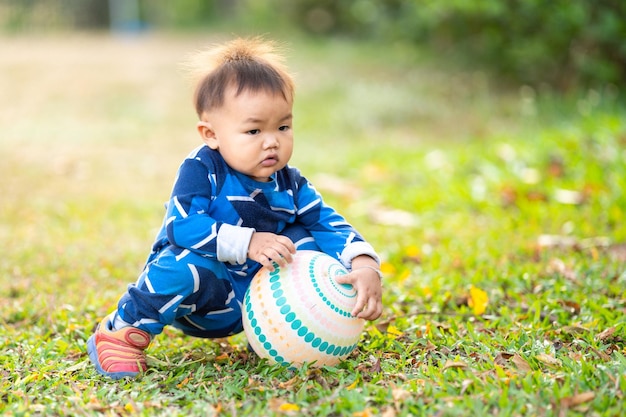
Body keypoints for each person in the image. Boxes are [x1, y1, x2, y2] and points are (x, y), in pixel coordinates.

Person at [87, 37, 383, 379]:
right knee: (182, 263)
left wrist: (363, 263)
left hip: (254, 302)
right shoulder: (203, 168)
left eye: (283, 126)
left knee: (308, 237)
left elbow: (329, 224)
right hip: (201, 293)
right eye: (254, 129)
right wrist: (249, 241)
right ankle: (122, 331)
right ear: (211, 134)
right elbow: (182, 226)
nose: (272, 140)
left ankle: (286, 334)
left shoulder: (291, 183)